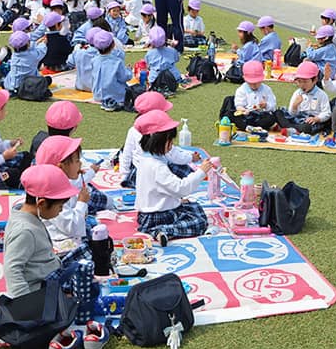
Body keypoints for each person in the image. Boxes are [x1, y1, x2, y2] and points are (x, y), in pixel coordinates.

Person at [134, 110, 211, 246]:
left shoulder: (145, 159)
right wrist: (201, 172)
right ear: (157, 141)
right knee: (199, 222)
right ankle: (163, 230)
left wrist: (177, 199)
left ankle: (161, 230)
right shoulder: (158, 166)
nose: (171, 145)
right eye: (169, 141)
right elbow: (182, 188)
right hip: (159, 215)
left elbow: (160, 189)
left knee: (193, 206)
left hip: (145, 214)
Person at [3, 163, 80, 298]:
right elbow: (12, 269)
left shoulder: (28, 215)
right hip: (38, 291)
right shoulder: (24, 231)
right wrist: (28, 305)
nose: (61, 210)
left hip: (49, 277)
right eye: (60, 206)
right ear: (42, 203)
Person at [118, 91, 198, 188]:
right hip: (159, 170)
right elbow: (173, 155)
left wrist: (124, 174)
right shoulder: (160, 135)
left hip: (139, 171)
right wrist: (191, 158)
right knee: (189, 175)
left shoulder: (133, 130)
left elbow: (126, 153)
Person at [275, 61, 331, 134]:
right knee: (278, 113)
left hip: (311, 121)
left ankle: (290, 128)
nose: (302, 85)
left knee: (307, 127)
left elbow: (327, 113)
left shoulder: (321, 94)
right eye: (299, 81)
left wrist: (316, 119)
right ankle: (292, 128)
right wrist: (295, 106)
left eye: (305, 82)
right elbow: (291, 114)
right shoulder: (297, 93)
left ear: (315, 80)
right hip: (297, 118)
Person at [221, 61, 277, 131]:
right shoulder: (241, 90)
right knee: (230, 114)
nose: (254, 85)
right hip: (246, 117)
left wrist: (266, 105)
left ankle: (258, 126)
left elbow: (273, 105)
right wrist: (243, 110)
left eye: (257, 82)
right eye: (251, 83)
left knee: (272, 118)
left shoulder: (267, 89)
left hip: (260, 116)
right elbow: (239, 105)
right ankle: (247, 127)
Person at [91, 29, 132, 112]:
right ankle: (113, 102)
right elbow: (124, 77)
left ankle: (106, 101)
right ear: (113, 45)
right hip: (116, 94)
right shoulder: (117, 62)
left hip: (97, 94)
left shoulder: (94, 60)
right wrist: (129, 70)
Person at [3, 30, 48, 95]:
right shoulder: (32, 55)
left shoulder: (14, 55)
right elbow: (41, 51)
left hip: (11, 85)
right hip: (28, 85)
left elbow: (27, 48)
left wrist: (36, 42)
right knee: (46, 80)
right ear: (28, 44)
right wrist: (43, 43)